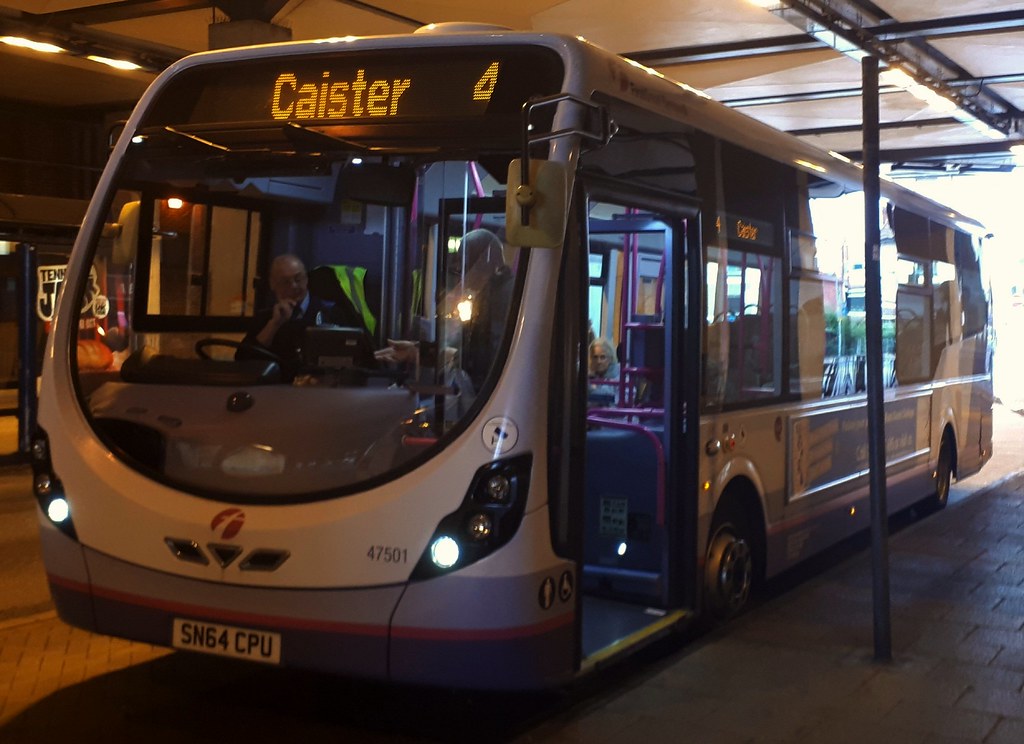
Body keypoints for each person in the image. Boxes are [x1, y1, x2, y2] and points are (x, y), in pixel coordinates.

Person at [238, 254, 346, 377]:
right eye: (285, 282)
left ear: (306, 279)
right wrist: (274, 324)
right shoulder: (266, 317)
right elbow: (243, 360)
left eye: (298, 279)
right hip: (274, 389)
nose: (294, 286)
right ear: (273, 284)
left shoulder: (330, 312)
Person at [588, 337, 620, 405]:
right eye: (595, 357)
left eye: (602, 357)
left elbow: (626, 398)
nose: (598, 361)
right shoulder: (587, 375)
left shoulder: (620, 375)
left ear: (610, 359)